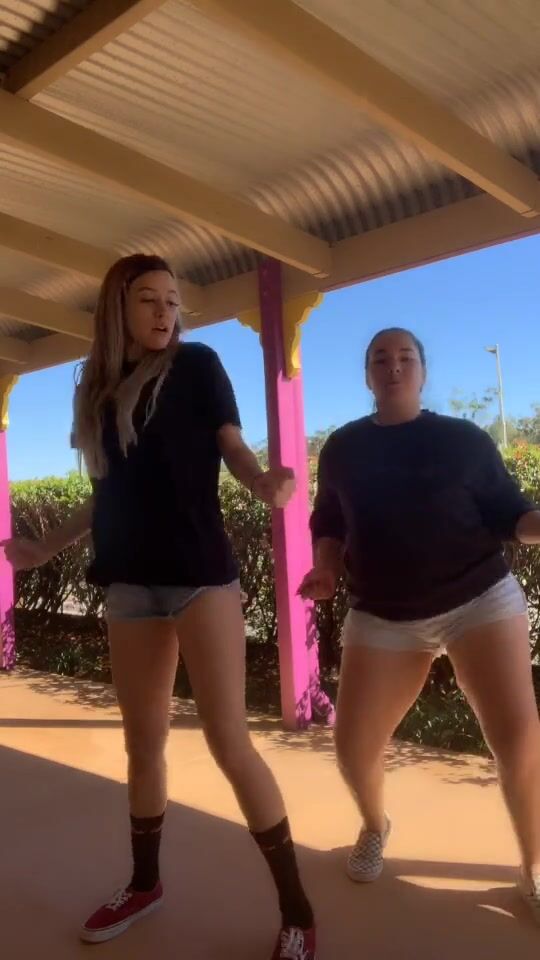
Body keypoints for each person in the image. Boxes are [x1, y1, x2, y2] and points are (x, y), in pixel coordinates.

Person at [3, 254, 316, 959]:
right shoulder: (97, 391)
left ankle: (298, 910)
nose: (165, 312)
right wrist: (45, 547)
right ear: (117, 308)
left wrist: (261, 481)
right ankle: (144, 884)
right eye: (148, 299)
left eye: (172, 300)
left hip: (200, 578)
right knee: (142, 745)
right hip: (129, 585)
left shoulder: (198, 365)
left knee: (229, 741)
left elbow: (232, 447)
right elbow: (105, 494)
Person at [299, 326, 540, 920]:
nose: (394, 366)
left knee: (518, 740)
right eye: (381, 358)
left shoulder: (462, 440)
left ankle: (534, 866)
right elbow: (329, 521)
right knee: (353, 747)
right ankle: (374, 825)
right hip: (384, 614)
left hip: (479, 600)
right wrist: (326, 567)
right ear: (367, 375)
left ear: (423, 371)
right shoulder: (343, 448)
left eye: (406, 356)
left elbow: (510, 514)